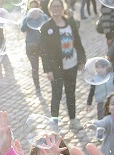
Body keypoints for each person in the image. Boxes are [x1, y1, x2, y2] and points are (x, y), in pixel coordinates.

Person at [40, 0, 86, 129]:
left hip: (71, 64)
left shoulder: (70, 22)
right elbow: (43, 51)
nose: (56, 8)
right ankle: (54, 122)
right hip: (56, 68)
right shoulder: (46, 27)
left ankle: (73, 119)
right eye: (53, 6)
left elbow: (77, 42)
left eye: (58, 6)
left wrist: (82, 59)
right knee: (57, 94)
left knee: (71, 93)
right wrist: (48, 69)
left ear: (62, 8)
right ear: (50, 9)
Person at [21, 0, 44, 95]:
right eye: (32, 7)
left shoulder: (43, 17)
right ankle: (37, 87)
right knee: (35, 68)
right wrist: (28, 19)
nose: (34, 10)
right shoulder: (27, 18)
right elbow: (22, 29)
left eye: (36, 7)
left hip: (42, 45)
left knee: (49, 65)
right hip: (31, 46)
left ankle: (54, 83)